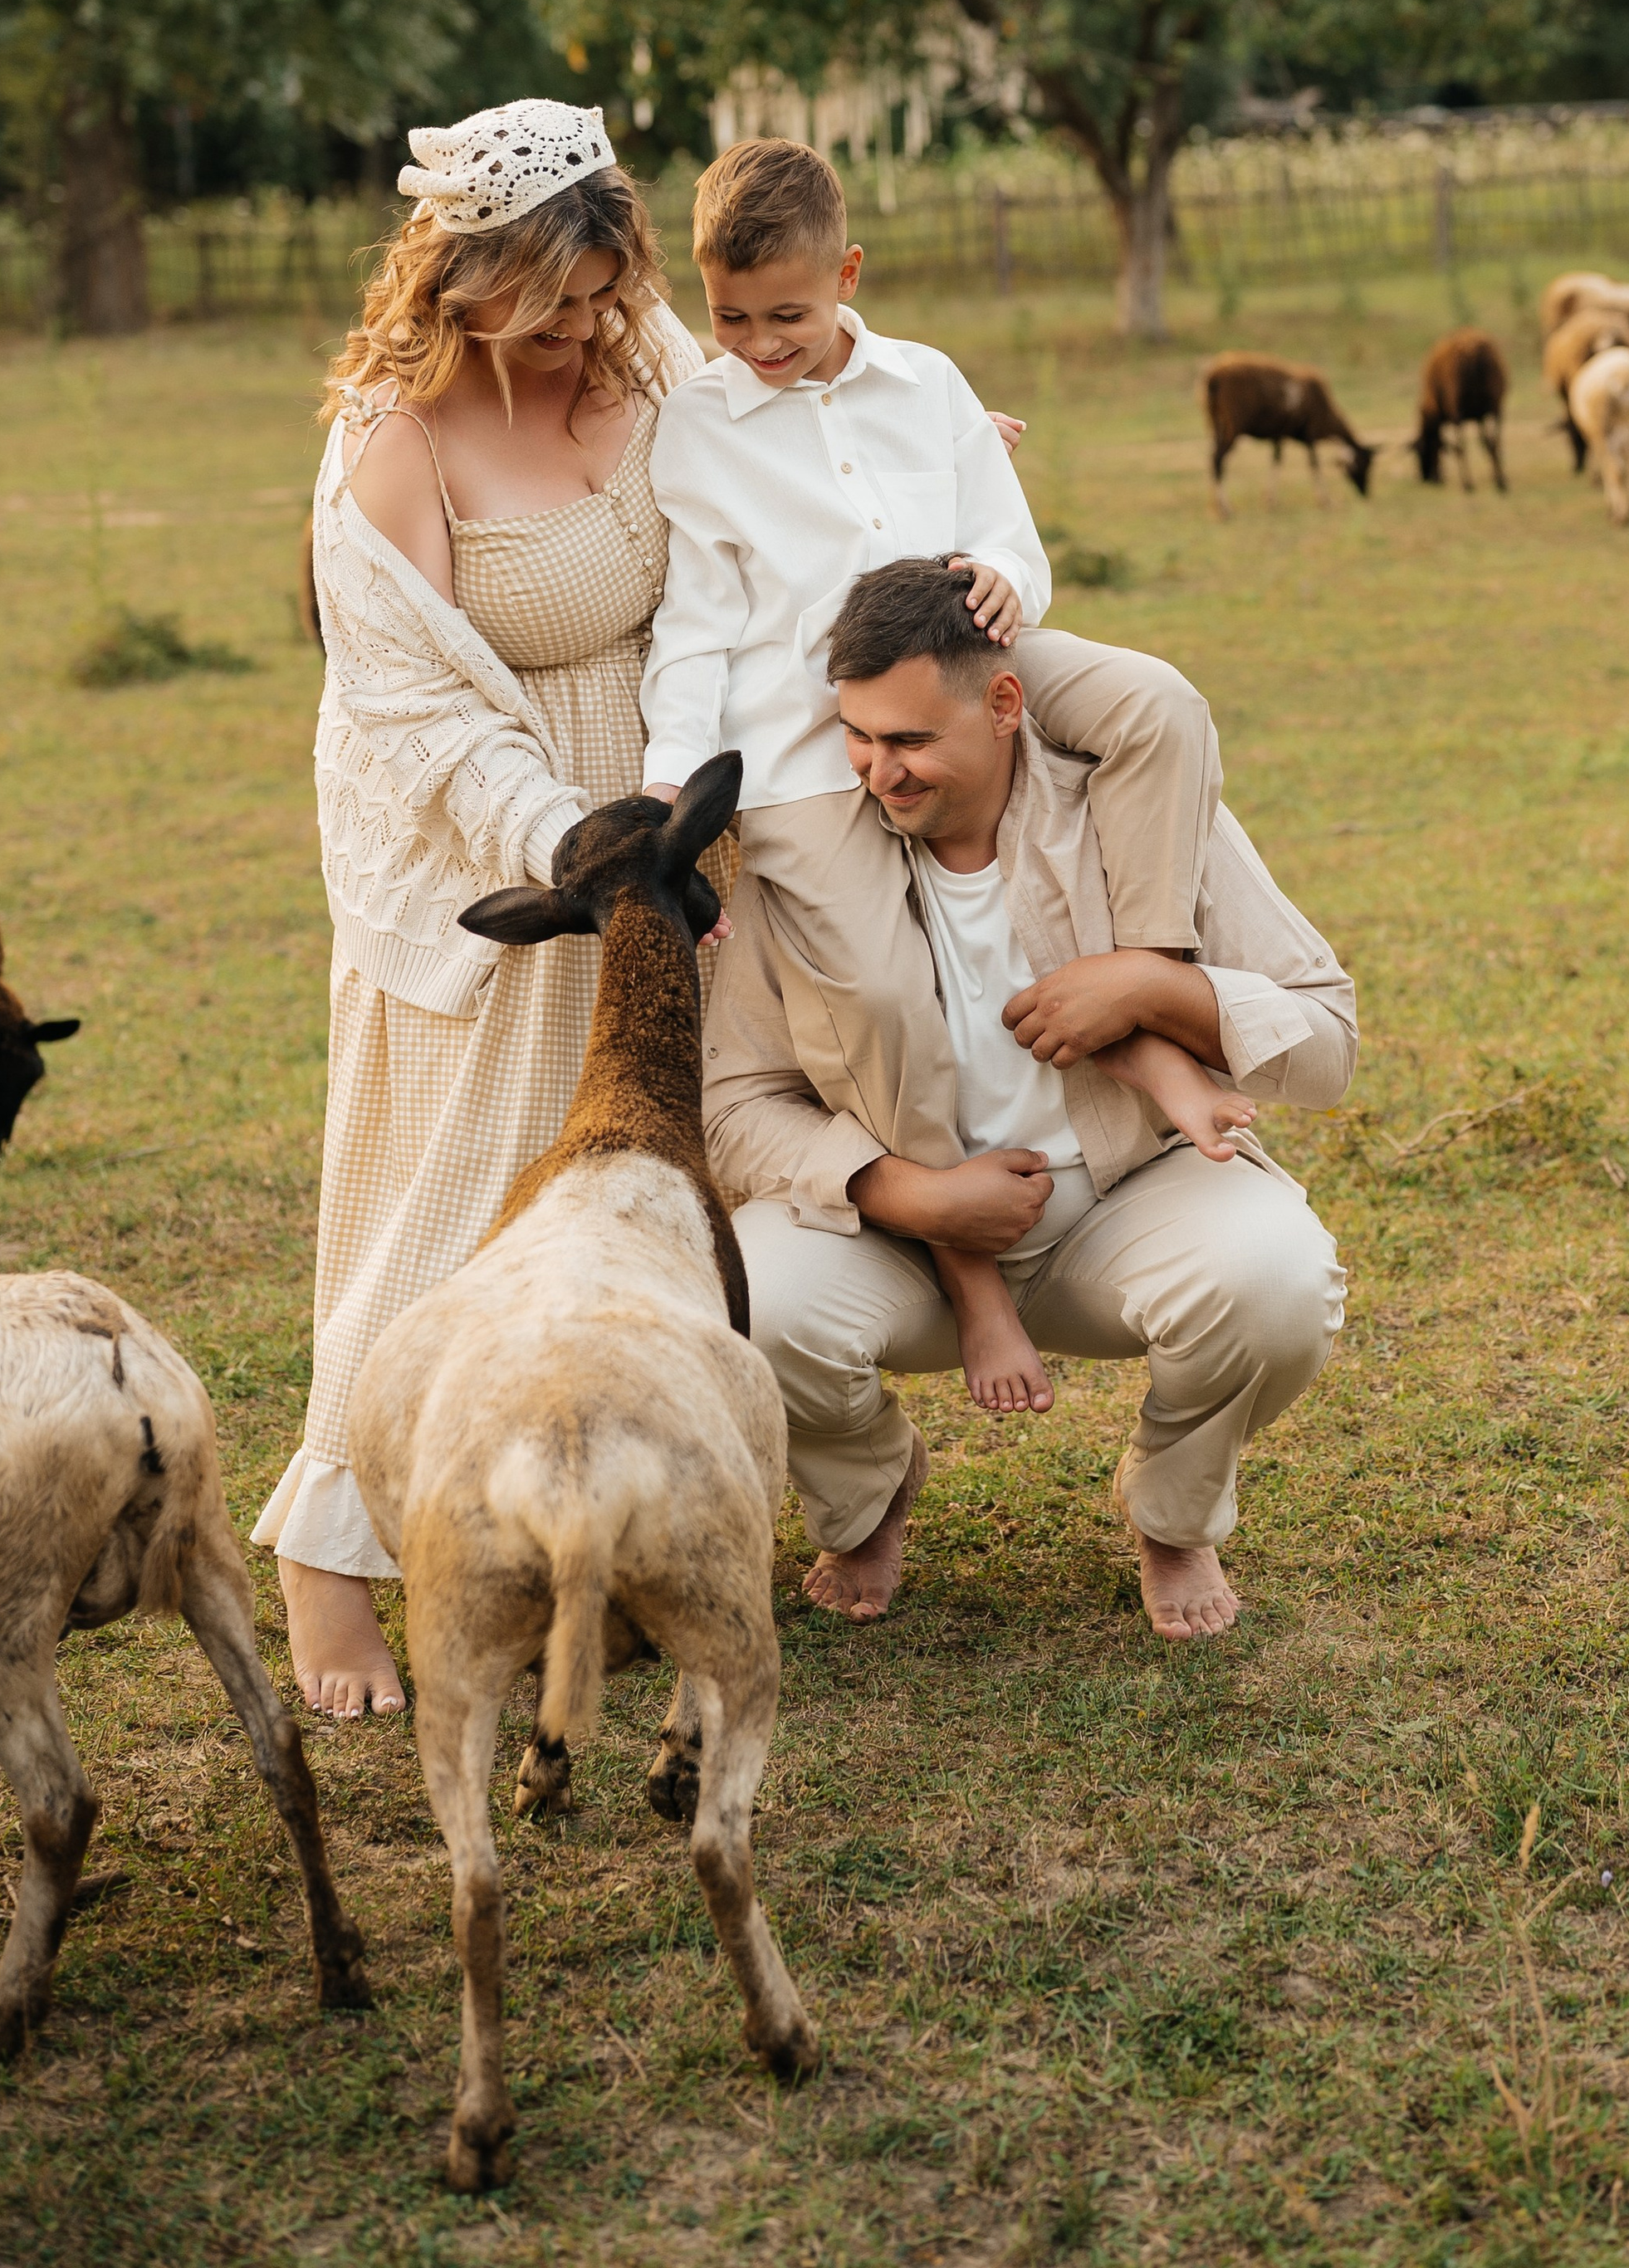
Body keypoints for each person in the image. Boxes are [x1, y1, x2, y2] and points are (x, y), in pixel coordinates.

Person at [642, 137, 1225, 1424]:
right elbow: (693, 624)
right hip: (808, 745)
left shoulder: (928, 382)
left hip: (969, 666)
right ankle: (970, 1273)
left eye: (787, 315)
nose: (757, 343)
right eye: (730, 317)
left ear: (846, 276)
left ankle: (1148, 988)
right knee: (882, 997)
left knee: (1158, 706)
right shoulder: (701, 421)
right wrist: (673, 800)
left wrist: (1012, 578)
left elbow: (1003, 528)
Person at [252, 100, 716, 1719]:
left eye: (606, 293)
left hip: (658, 829)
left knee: (617, 1203)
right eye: (556, 305)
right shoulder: (397, 444)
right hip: (502, 865)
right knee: (445, 1205)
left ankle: (575, 1522)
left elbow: (767, 468)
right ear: (470, 279)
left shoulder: (642, 352)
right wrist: (578, 851)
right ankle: (328, 1553)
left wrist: (921, 450)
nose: (590, 330)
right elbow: (423, 716)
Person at [702, 556, 1355, 1644]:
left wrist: (1155, 989)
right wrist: (903, 1193)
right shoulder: (811, 863)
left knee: (1277, 1282)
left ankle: (1174, 1510)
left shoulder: (1137, 809)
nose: (878, 772)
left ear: (1006, 704)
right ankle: (868, 1488)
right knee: (744, 1300)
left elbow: (1328, 1043)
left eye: (911, 740)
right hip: (900, 1246)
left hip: (1126, 1198)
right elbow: (735, 1104)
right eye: (857, 736)